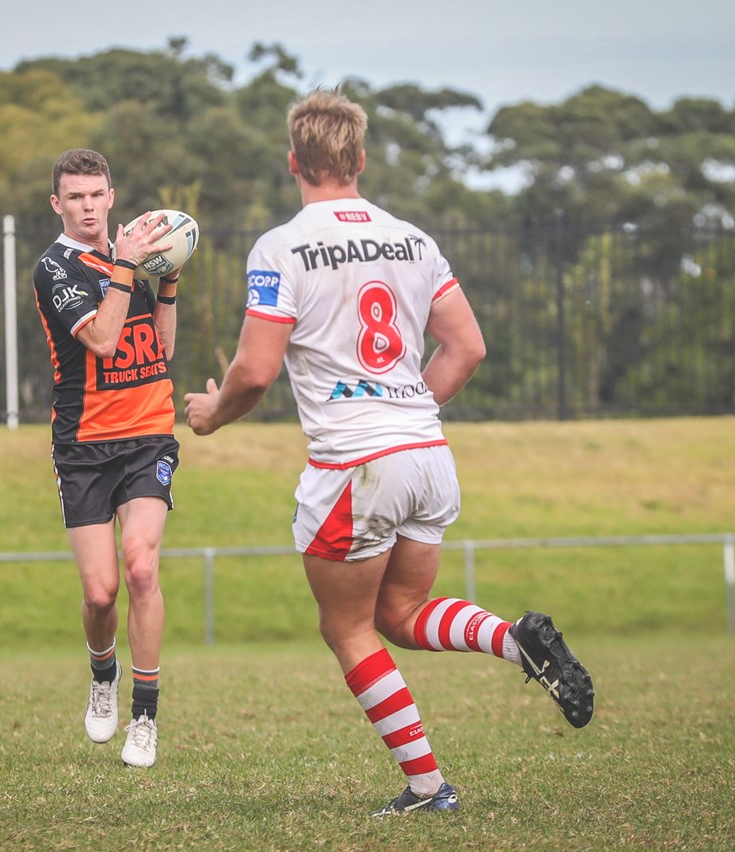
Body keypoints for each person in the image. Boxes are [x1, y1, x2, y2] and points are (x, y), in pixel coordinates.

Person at [184, 90, 594, 815]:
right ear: (360, 160)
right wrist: (406, 417)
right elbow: (468, 347)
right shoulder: (413, 239)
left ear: (294, 162)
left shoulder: (281, 246)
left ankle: (430, 787)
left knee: (346, 626)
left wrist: (212, 416)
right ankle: (514, 641)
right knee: (402, 614)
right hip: (428, 453)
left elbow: (253, 371)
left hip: (357, 464)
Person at [32, 147, 186, 768]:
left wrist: (168, 278)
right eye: (76, 197)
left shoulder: (134, 261)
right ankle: (104, 673)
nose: (88, 206)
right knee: (100, 594)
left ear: (111, 196)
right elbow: (101, 339)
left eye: (97, 195)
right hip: (84, 446)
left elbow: (161, 350)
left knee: (141, 568)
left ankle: (145, 717)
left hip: (149, 432)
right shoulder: (55, 269)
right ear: (57, 204)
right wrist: (126, 268)